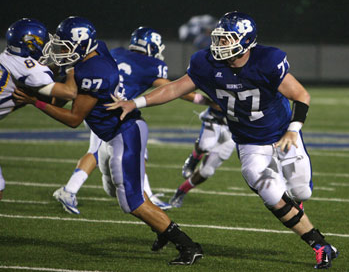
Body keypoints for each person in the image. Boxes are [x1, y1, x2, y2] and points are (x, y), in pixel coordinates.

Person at [105, 11, 339, 269]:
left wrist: (293, 130)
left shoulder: (267, 59)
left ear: (246, 41)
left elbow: (301, 95)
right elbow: (174, 88)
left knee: (301, 191)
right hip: (249, 142)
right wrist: (135, 102)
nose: (219, 45)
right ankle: (320, 244)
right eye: (219, 39)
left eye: (227, 40)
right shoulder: (206, 62)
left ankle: (294, 205)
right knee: (271, 194)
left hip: (283, 134)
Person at [13, 16, 203, 265]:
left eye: (65, 45)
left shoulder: (94, 72)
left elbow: (72, 118)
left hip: (123, 132)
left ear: (82, 45)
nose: (60, 50)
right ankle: (162, 230)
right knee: (123, 192)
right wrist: (65, 73)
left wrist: (34, 100)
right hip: (117, 132)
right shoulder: (96, 50)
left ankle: (188, 246)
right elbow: (64, 94)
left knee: (132, 202)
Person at [0, 18, 78, 200]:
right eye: (43, 42)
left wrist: (57, 67)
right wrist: (72, 68)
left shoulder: (7, 57)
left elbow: (36, 77)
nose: (47, 47)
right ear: (30, 44)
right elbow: (68, 93)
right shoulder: (29, 69)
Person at [170, 107, 235, 207]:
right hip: (216, 119)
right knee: (205, 146)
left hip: (233, 132)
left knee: (207, 171)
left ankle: (181, 191)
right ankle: (193, 159)